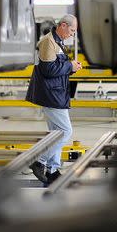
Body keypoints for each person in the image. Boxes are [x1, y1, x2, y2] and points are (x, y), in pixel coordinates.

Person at [26, 14, 82, 185]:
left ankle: (52, 171)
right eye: (72, 30)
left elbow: (57, 67)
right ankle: (39, 161)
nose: (72, 34)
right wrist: (69, 66)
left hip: (57, 92)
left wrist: (71, 68)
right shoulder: (48, 41)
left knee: (56, 134)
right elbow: (48, 69)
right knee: (66, 132)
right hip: (52, 95)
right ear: (63, 25)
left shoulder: (57, 41)